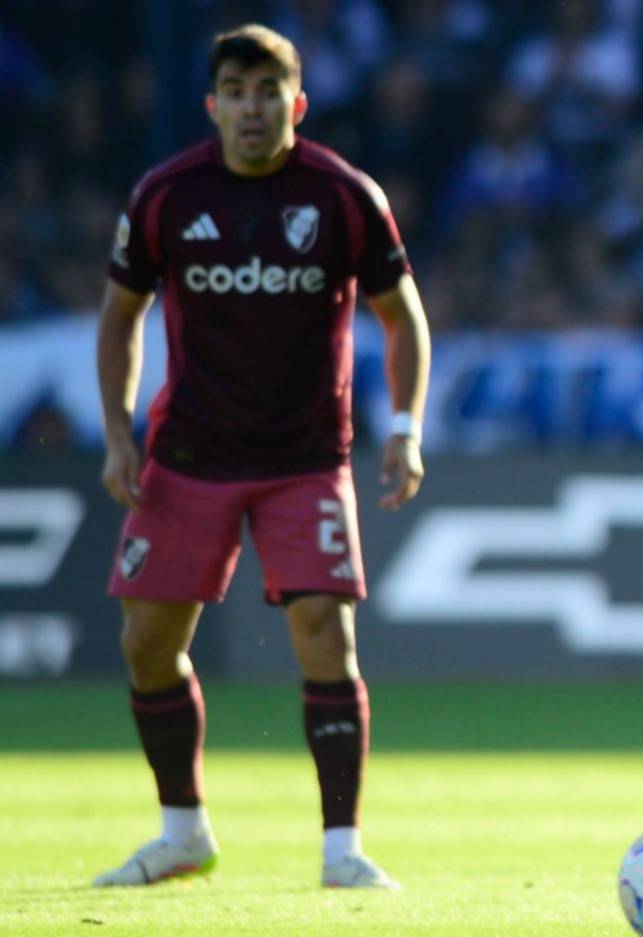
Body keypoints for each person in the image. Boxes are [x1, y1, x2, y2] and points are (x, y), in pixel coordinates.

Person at [92, 24, 430, 890]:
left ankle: (343, 849)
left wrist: (405, 428)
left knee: (326, 635)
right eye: (236, 92)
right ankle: (182, 833)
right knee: (146, 644)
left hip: (304, 456)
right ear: (212, 106)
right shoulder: (167, 196)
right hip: (189, 452)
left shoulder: (344, 196)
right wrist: (120, 433)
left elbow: (404, 317)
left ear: (297, 103)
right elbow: (119, 317)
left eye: (267, 92)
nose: (252, 108)